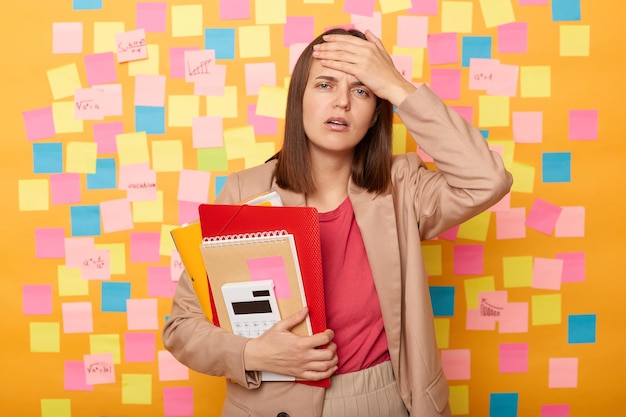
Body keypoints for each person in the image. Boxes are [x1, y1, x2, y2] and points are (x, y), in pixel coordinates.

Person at [163, 28, 513, 417]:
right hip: (271, 404)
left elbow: (488, 179)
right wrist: (254, 353)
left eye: (362, 90)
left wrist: (396, 86)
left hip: (385, 399)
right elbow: (181, 328)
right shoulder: (246, 192)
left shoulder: (404, 187)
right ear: (299, 100)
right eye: (325, 84)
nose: (342, 102)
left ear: (377, 112)